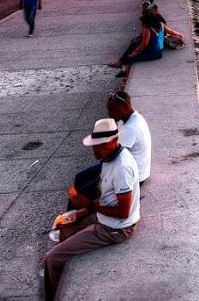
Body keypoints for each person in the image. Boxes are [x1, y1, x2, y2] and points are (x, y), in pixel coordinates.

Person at [43, 118, 140, 299]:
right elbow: (105, 197)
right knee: (65, 226)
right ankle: (62, 269)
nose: (96, 150)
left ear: (114, 142)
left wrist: (88, 205)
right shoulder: (109, 157)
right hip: (106, 219)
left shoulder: (122, 168)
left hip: (115, 229)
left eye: (100, 145)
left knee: (51, 258)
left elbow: (122, 212)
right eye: (94, 145)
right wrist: (82, 212)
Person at [108, 90, 152, 184]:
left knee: (83, 180)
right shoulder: (133, 117)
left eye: (113, 110)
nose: (110, 114)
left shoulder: (130, 128)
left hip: (134, 177)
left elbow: (115, 157)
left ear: (126, 107)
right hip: (139, 170)